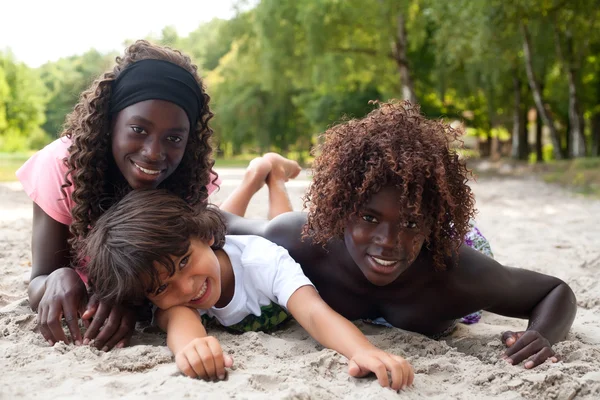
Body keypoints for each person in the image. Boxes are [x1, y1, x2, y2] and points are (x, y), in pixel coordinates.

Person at [224, 100, 578, 370]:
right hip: (313, 231)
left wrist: (542, 334)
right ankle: (269, 175)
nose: (388, 240)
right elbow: (216, 220)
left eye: (409, 222)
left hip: (457, 241)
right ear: (342, 210)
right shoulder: (308, 240)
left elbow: (554, 291)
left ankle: (274, 176)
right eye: (368, 217)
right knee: (278, 232)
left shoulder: (457, 273)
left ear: (430, 220)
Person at [16, 40, 299, 352]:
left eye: (174, 137)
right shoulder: (64, 168)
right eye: (138, 129)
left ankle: (269, 176)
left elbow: (216, 240)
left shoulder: (183, 173)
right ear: (111, 123)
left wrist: (129, 299)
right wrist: (60, 275)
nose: (153, 153)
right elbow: (39, 280)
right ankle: (254, 176)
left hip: (199, 223)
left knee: (268, 235)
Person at [81, 189, 414, 390]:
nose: (187, 287)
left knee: (282, 220)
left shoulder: (263, 261)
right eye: (162, 286)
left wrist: (362, 351)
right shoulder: (175, 298)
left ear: (206, 236)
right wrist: (192, 348)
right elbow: (179, 320)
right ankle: (256, 175)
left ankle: (272, 178)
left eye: (184, 262)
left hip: (285, 241)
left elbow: (313, 312)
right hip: (222, 247)